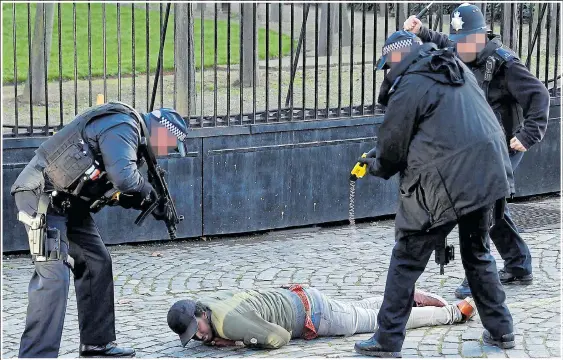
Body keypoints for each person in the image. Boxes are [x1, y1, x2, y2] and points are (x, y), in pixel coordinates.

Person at [352, 30, 516, 357]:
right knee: (477, 252)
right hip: (489, 169)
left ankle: (386, 341)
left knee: (406, 258)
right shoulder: (453, 66)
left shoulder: (411, 83)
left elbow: (393, 146)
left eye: (387, 66)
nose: (387, 74)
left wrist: (375, 164)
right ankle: (501, 331)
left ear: (397, 58)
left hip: (447, 179)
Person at [11, 102, 189, 358]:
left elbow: (112, 189)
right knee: (54, 277)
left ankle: (97, 342)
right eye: (170, 146)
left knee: (97, 262)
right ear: (162, 133)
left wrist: (146, 203)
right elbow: (124, 178)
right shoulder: (123, 125)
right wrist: (145, 191)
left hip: (69, 203)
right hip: (42, 198)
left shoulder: (130, 139)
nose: (167, 152)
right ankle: (36, 355)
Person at [403, 3, 550, 299]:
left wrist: (529, 134)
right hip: (479, 145)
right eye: (459, 42)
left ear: (481, 36)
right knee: (491, 206)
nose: (461, 49)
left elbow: (539, 95)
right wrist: (422, 32)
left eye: (467, 42)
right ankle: (519, 264)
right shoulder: (462, 49)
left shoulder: (506, 64)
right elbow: (446, 43)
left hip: (505, 143)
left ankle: (478, 274)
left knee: (478, 203)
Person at [166, 284, 476, 349]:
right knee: (362, 309)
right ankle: (406, 295)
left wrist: (234, 343)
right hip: (302, 297)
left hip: (316, 315)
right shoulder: (211, 305)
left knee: (379, 321)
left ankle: (452, 313)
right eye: (192, 335)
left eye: (198, 329)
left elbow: (279, 338)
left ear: (200, 313)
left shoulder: (228, 324)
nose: (199, 336)